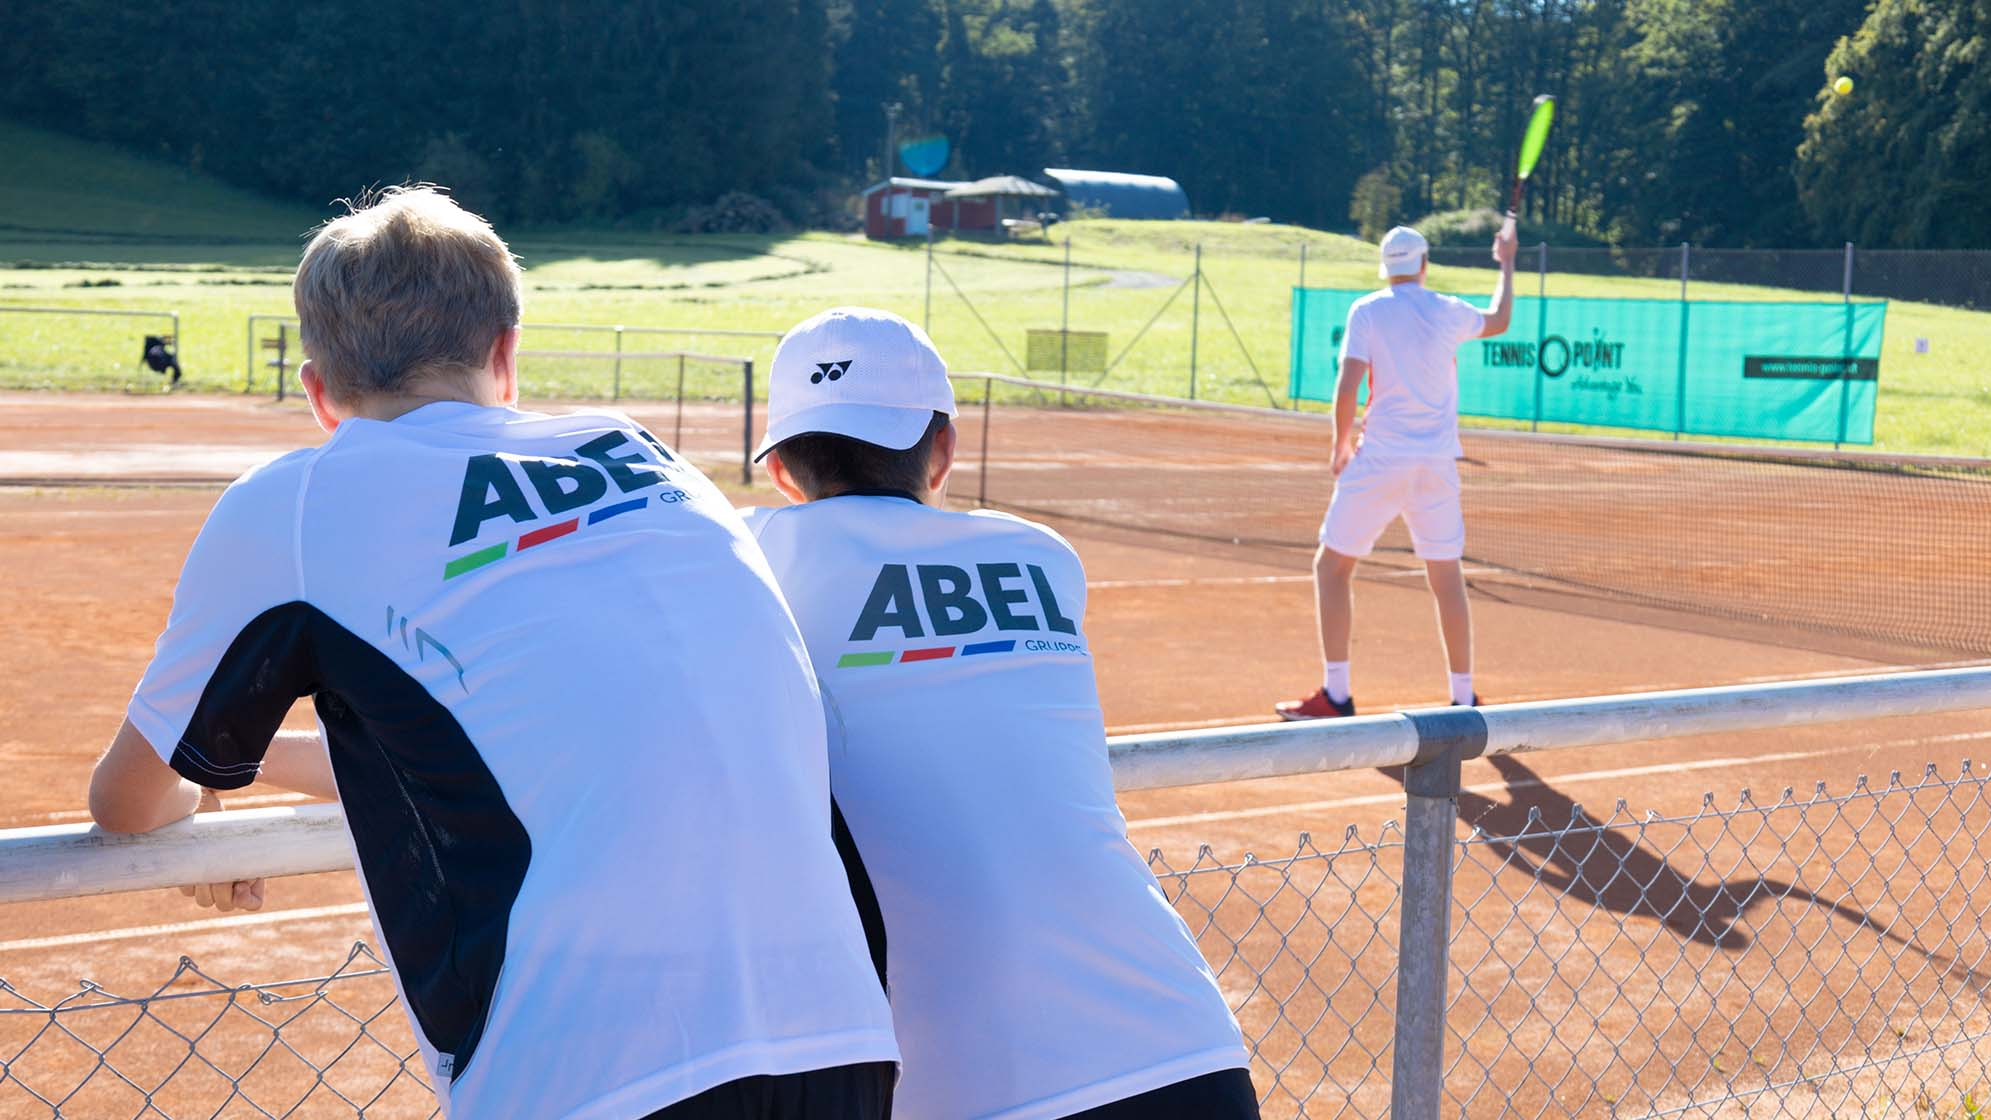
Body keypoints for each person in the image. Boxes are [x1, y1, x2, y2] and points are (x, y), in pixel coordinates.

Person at [87, 188, 899, 1120]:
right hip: (838, 1041)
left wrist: (204, 775)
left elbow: (125, 804)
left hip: (590, 1071)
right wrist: (250, 763)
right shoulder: (639, 452)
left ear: (319, 395)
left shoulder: (297, 503)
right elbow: (539, 736)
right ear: (507, 355)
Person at [741, 306, 1258, 1120]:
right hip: (1184, 1051)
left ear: (778, 473)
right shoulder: (1040, 556)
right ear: (943, 448)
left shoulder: (753, 558)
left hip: (962, 1087)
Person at [1277, 223, 1517, 720]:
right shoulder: (1449, 310)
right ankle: (1464, 698)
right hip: (1435, 467)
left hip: (1380, 461)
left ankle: (1337, 696)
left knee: (1331, 568)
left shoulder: (1367, 310)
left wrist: (1340, 447)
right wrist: (1507, 262)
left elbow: (1347, 389)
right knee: (1446, 578)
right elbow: (1499, 320)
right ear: (1424, 265)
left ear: (1387, 268)